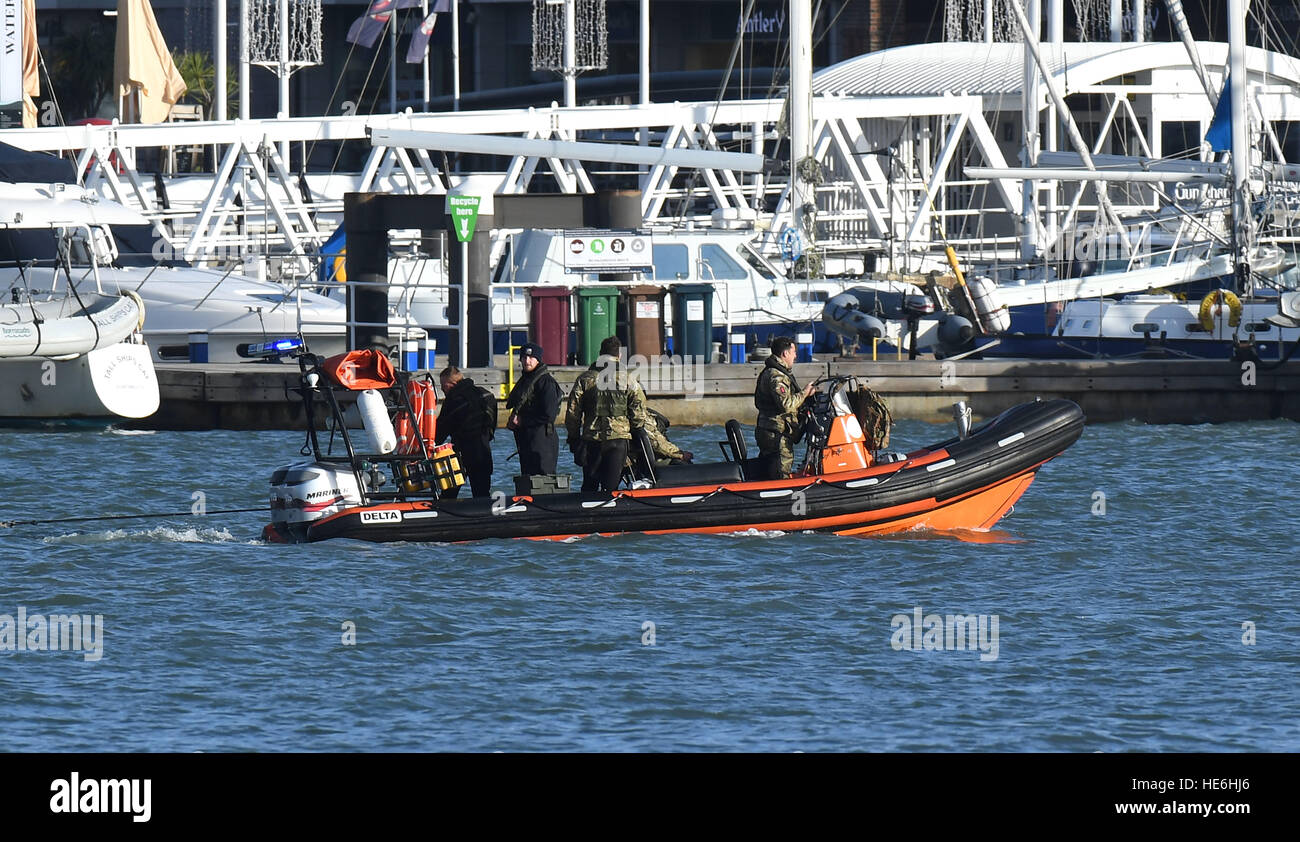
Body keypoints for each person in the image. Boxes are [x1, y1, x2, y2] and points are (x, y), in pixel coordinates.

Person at [565, 335, 648, 492]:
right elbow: (639, 412)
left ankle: (586, 513)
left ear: (600, 354)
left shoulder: (585, 379)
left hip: (592, 440)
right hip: (618, 440)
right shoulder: (629, 380)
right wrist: (636, 430)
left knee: (589, 486)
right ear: (619, 355)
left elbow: (573, 413)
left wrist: (574, 438)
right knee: (611, 488)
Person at [754, 335, 816, 479]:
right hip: (776, 433)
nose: (795, 356)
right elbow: (786, 405)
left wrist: (806, 396)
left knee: (769, 470)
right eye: (794, 352)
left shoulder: (774, 372)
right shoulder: (777, 376)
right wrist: (805, 392)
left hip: (769, 430)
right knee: (781, 473)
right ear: (785, 353)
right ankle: (781, 496)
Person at [435, 366, 497, 499]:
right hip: (483, 450)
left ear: (452, 384)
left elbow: (441, 430)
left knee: (448, 494)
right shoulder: (487, 395)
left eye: (443, 386)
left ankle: (444, 516)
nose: (442, 389)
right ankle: (484, 516)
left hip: (461, 452)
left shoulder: (453, 400)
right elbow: (492, 424)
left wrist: (428, 445)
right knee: (482, 493)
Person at [506, 342, 563, 477]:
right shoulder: (525, 380)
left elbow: (549, 415)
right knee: (528, 478)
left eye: (531, 358)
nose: (527, 361)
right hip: (526, 439)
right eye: (524, 357)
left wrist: (522, 421)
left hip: (542, 439)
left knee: (544, 478)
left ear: (538, 360)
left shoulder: (546, 382)